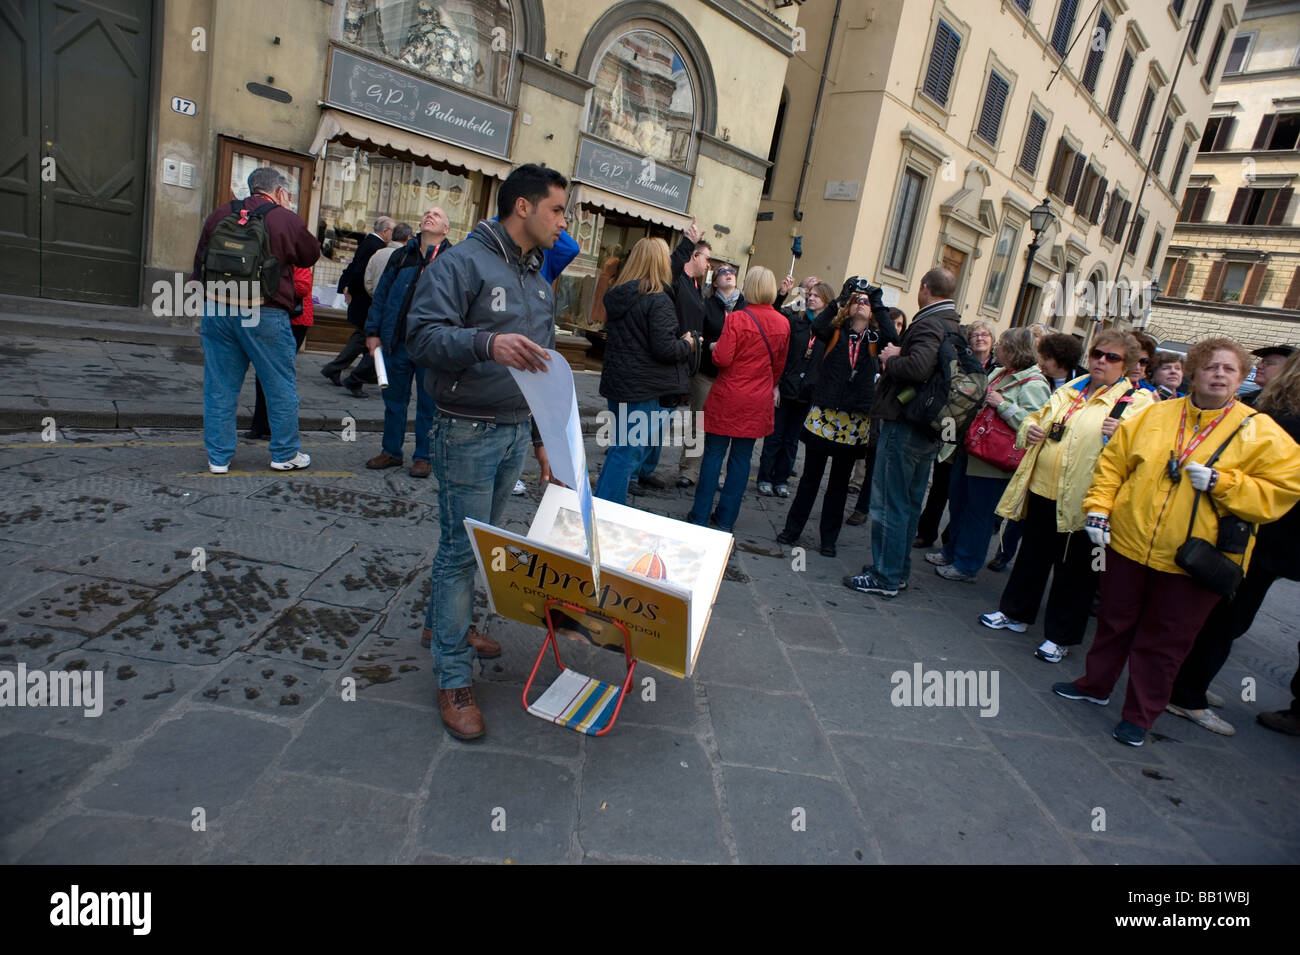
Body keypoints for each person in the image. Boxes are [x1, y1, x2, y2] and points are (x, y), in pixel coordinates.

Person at [1056, 337, 1300, 747]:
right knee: (1114, 622)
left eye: (1229, 370)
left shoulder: (1259, 430)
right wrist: (1099, 507)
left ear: (1240, 378)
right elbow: (1114, 463)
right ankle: (1095, 684)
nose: (1219, 375)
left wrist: (1227, 483)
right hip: (1130, 543)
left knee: (1165, 640)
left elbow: (1283, 489)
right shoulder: (1155, 416)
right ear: (1194, 372)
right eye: (1211, 367)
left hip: (1195, 560)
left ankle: (1141, 714)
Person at [406, 163, 567, 741]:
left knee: (481, 547)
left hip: (514, 431)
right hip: (467, 429)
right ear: (522, 206)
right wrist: (486, 342)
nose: (563, 221)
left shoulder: (538, 275)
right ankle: (452, 675)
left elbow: (545, 368)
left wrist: (544, 438)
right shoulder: (461, 262)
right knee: (458, 552)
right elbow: (420, 337)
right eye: (556, 209)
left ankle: (445, 627)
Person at [978, 329, 1154, 663]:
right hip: (1044, 488)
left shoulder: (1137, 403)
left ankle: (1060, 636)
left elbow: (1147, 453)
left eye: (1111, 357)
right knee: (1031, 557)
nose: (1101, 361)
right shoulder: (1073, 387)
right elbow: (1037, 418)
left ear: (1126, 364)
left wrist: (1127, 437)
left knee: (1076, 573)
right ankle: (1015, 613)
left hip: (1086, 500)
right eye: (1097, 354)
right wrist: (1028, 428)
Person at [1166, 349, 1300, 735]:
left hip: (1249, 527)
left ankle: (1188, 682)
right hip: (1263, 531)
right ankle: (1187, 692)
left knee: (1220, 613)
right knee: (1227, 617)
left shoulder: (1261, 407)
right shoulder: (1276, 416)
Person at [843, 268, 962, 598]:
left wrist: (892, 358)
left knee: (889, 504)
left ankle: (885, 576)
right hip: (927, 425)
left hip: (906, 422)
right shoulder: (953, 322)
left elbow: (917, 366)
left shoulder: (927, 323)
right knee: (908, 504)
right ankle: (897, 570)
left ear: (924, 288)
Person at [192, 167, 320, 473]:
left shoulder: (220, 214)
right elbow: (310, 254)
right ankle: (285, 453)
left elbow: (201, 259)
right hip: (264, 310)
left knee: (220, 386)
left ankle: (218, 457)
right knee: (279, 385)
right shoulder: (284, 218)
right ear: (278, 192)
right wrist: (287, 218)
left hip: (219, 307)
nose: (288, 199)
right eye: (287, 194)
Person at [776, 279, 896, 557]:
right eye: (858, 300)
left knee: (839, 485)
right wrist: (840, 298)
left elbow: (895, 338)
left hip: (853, 421)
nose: (862, 305)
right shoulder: (835, 330)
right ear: (849, 306)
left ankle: (828, 539)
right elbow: (817, 327)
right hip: (825, 415)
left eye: (866, 303)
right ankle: (792, 530)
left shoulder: (876, 338)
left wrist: (877, 303)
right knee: (810, 479)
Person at [927, 327, 1049, 582]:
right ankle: (951, 552)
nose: (996, 348)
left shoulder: (1035, 383)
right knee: (959, 506)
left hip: (993, 460)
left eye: (1002, 344)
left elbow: (1035, 425)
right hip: (972, 449)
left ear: (1014, 350)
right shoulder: (1001, 371)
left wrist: (1002, 405)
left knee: (979, 514)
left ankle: (967, 565)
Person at [593, 237, 694, 505]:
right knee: (628, 453)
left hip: (619, 384)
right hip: (642, 388)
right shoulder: (657, 300)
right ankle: (606, 508)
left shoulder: (618, 295)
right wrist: (687, 344)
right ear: (660, 261)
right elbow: (665, 349)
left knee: (620, 450)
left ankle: (600, 503)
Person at [687, 266, 789, 531]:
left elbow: (721, 358)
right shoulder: (783, 323)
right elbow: (778, 366)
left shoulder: (737, 319)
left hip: (728, 396)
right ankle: (726, 518)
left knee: (712, 455)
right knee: (742, 461)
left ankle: (699, 515)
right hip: (756, 400)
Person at [362, 208, 451, 479]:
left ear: (446, 229)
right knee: (394, 401)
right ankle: (391, 451)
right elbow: (382, 295)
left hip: (432, 346)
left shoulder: (453, 260)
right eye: (426, 213)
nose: (429, 215)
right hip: (397, 341)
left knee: (429, 405)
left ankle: (423, 456)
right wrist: (373, 331)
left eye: (437, 214)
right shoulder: (401, 255)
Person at [988, 332, 1083, 571]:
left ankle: (1010, 553)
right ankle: (1004, 552)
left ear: (1060, 360)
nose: (1040, 360)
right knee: (1018, 506)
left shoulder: (1079, 383)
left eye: (1046, 357)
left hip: (1058, 461)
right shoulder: (1036, 378)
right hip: (1030, 453)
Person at [914, 319, 997, 548]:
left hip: (977, 436)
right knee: (940, 485)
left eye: (985, 335)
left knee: (962, 493)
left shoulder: (997, 369)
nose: (980, 338)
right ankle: (926, 531)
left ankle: (951, 539)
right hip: (952, 426)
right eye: (975, 335)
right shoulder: (962, 362)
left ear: (992, 341)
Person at [759, 281, 835, 497]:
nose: (811, 299)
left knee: (792, 440)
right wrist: (775, 385)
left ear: (827, 302)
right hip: (785, 388)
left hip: (807, 393)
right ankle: (765, 477)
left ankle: (781, 479)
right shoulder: (795, 321)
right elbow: (781, 348)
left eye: (816, 297)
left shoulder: (830, 330)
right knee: (774, 436)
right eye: (810, 295)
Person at [677, 262, 746, 488]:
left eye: (731, 272)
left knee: (725, 426)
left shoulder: (745, 307)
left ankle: (717, 472)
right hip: (707, 373)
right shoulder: (707, 305)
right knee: (699, 421)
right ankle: (690, 469)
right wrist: (709, 346)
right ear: (715, 281)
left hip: (733, 378)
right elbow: (698, 335)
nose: (728, 275)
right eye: (722, 272)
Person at [846, 308, 907, 525]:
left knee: (873, 461)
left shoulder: (901, 354)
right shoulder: (872, 344)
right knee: (850, 457)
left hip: (880, 415)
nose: (896, 329)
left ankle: (862, 507)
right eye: (893, 323)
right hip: (860, 409)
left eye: (901, 325)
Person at [322, 216, 394, 397]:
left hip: (362, 300)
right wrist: (349, 290)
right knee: (365, 338)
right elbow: (360, 272)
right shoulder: (374, 247)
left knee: (361, 339)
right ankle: (344, 372)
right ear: (385, 231)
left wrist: (347, 288)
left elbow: (354, 269)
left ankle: (344, 370)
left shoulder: (370, 244)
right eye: (392, 231)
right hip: (365, 301)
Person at [246, 266, 314, 441]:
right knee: (263, 372)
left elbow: (303, 287)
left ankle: (274, 428)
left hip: (295, 320)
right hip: (273, 316)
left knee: (278, 374)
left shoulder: (296, 258)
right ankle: (259, 425)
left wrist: (274, 286)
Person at [364, 222, 413, 296]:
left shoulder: (378, 253)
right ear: (409, 237)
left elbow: (368, 280)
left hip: (375, 299)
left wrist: (375, 294)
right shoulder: (407, 257)